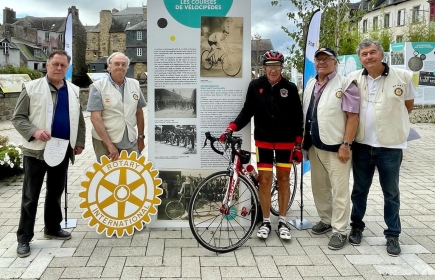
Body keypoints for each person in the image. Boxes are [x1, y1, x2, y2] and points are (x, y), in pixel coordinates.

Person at [221, 50, 303, 240]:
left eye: (276, 66)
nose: (273, 70)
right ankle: (266, 221)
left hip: (285, 142)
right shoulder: (255, 86)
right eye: (269, 66)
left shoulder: (289, 88)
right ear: (263, 68)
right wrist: (231, 127)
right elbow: (247, 111)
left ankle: (282, 221)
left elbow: (297, 118)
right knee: (264, 181)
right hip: (264, 141)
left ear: (281, 67)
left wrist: (298, 145)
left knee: (283, 180)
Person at [11, 50, 86, 258]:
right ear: (47, 64)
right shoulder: (31, 87)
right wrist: (34, 131)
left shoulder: (73, 90)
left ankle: (52, 227)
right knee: (30, 196)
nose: (59, 68)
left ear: (67, 67)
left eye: (63, 65)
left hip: (61, 150)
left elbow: (78, 119)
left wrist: (78, 142)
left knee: (55, 193)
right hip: (36, 151)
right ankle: (24, 237)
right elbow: (18, 118)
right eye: (55, 64)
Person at [347, 39, 415, 256]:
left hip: (390, 146)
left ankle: (393, 234)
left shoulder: (403, 77)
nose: (369, 57)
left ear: (381, 54)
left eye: (372, 52)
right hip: (362, 145)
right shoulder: (354, 79)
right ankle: (356, 226)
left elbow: (408, 105)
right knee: (359, 190)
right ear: (360, 58)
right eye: (364, 54)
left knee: (391, 192)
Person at [302, 47, 360, 250]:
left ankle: (340, 230)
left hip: (337, 147)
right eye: (318, 59)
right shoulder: (311, 84)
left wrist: (346, 144)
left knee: (340, 190)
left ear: (335, 62)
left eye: (327, 59)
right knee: (319, 186)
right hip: (314, 145)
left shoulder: (345, 84)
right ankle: (326, 220)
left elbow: (353, 117)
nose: (321, 62)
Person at [87, 52, 146, 162]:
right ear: (109, 66)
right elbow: (95, 118)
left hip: (129, 139)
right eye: (117, 64)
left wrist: (141, 137)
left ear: (127, 68)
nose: (120, 67)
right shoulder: (98, 87)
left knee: (131, 174)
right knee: (108, 175)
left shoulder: (135, 85)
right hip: (104, 142)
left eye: (123, 64)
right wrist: (109, 145)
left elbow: (139, 113)